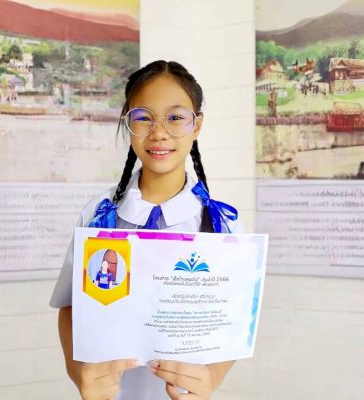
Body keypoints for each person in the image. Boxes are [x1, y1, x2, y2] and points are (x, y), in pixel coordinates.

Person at [50, 60, 243, 400]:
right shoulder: (99, 215)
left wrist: (212, 377)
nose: (159, 132)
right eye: (143, 117)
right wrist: (79, 372)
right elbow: (71, 308)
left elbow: (232, 318)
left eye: (175, 117)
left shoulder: (222, 222)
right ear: (128, 123)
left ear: (197, 125)